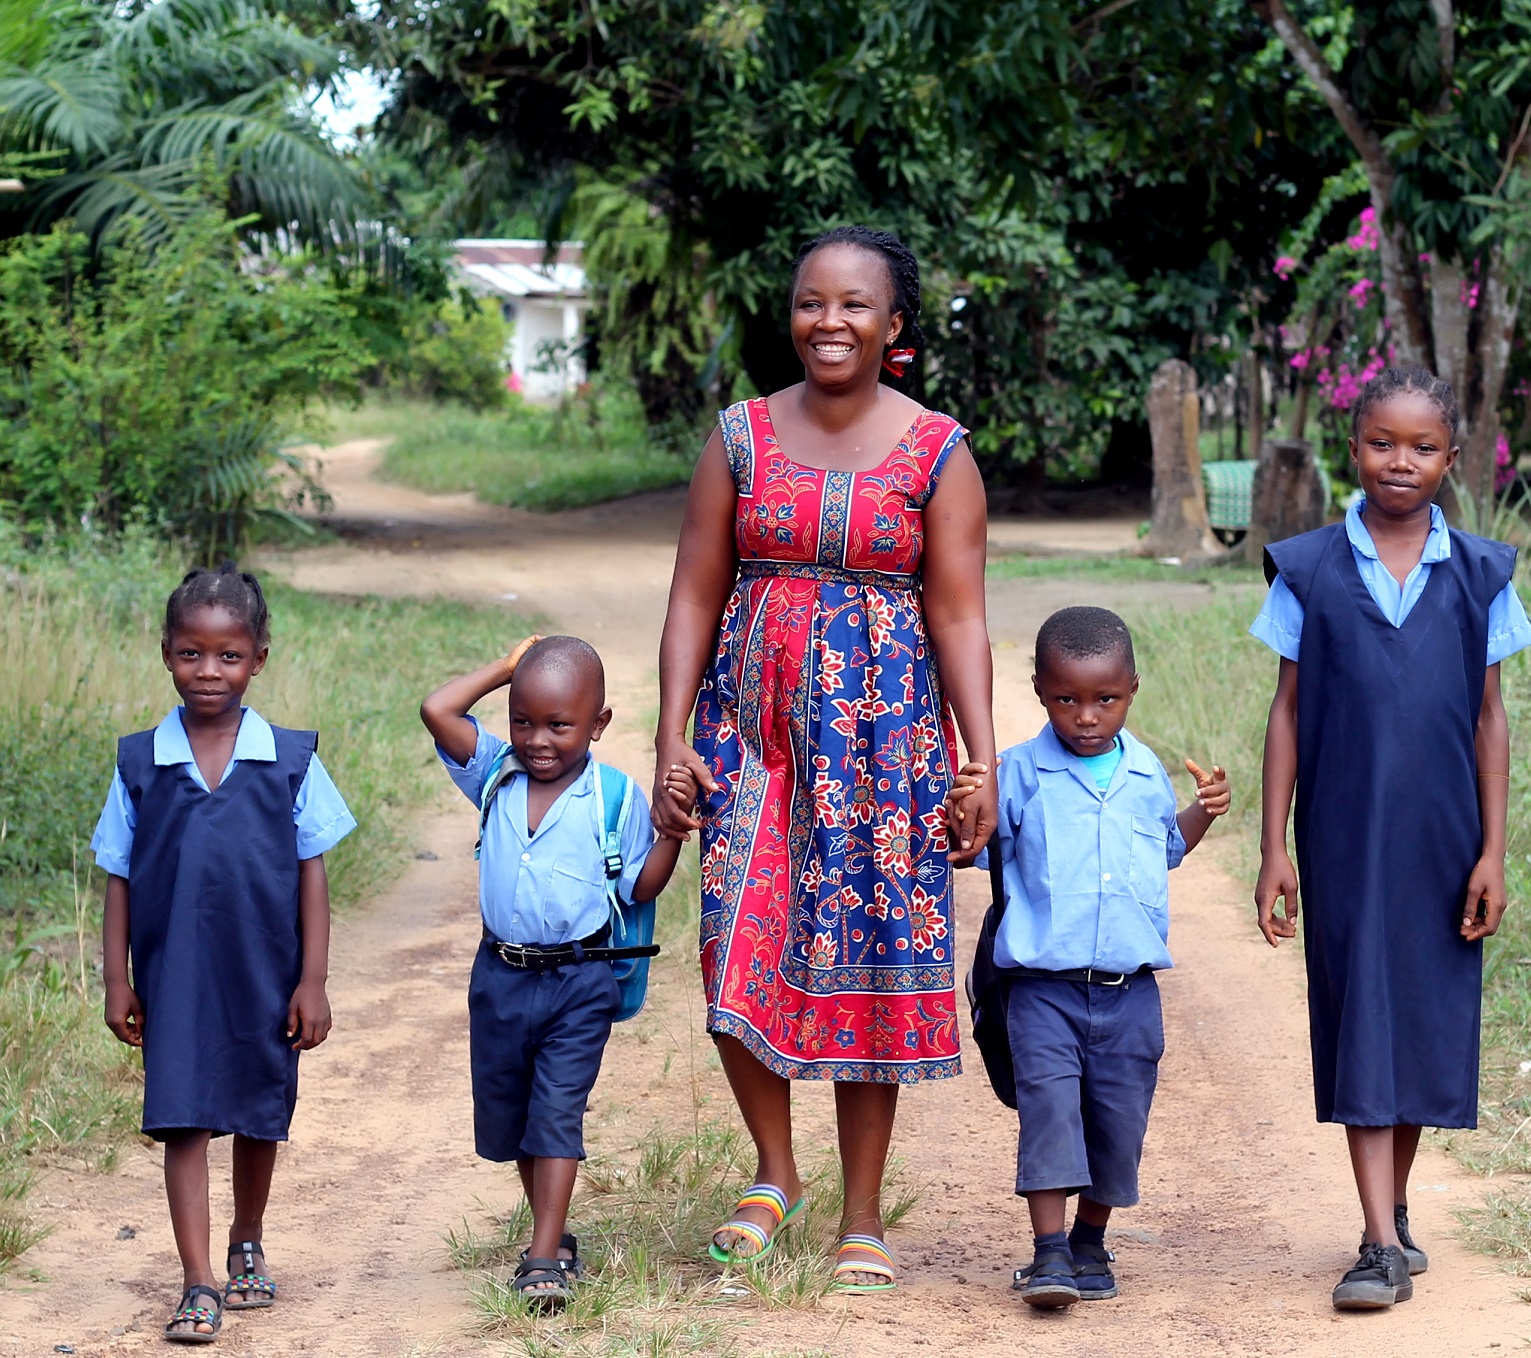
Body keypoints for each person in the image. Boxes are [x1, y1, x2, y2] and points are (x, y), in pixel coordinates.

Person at [653, 225, 999, 1292]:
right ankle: (773, 1172)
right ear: (789, 312)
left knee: (872, 956)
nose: (830, 321)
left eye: (856, 305)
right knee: (734, 937)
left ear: (893, 325)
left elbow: (958, 614)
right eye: (811, 301)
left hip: (885, 747)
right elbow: (694, 594)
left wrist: (976, 761)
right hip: (750, 734)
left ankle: (861, 1211)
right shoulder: (740, 436)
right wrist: (670, 733)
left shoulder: (936, 448)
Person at [1251, 368, 1531, 1312]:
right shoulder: (1310, 567)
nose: (1401, 462)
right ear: (1355, 448)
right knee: (1359, 1015)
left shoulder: (1483, 572)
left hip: (1445, 838)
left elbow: (1490, 720)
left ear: (1453, 460)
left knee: (1418, 1019)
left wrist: (1494, 851)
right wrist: (1273, 848)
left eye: (1423, 447)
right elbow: (1286, 714)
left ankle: (1396, 1206)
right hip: (1342, 835)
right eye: (1382, 442)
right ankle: (1377, 1244)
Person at [94, 563, 357, 1345]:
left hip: (263, 970)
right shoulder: (140, 763)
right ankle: (197, 1280)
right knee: (181, 1119)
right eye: (192, 654)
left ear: (259, 658)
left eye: (228, 656)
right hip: (173, 976)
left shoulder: (291, 760)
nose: (209, 672)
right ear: (167, 654)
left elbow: (313, 875)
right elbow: (117, 876)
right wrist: (118, 979)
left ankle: (247, 1237)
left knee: (256, 1111)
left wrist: (312, 979)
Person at [947, 606, 1229, 1311]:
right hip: (1041, 989)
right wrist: (961, 815)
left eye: (1106, 699)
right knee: (1048, 1113)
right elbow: (970, 845)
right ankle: (1046, 1253)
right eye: (1066, 698)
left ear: (1132, 688)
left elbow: (1165, 853)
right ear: (1040, 690)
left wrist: (1203, 812)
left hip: (1130, 992)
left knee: (1119, 1121)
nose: (1086, 716)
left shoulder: (1146, 777)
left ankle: (1089, 1241)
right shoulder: (1014, 775)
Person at [420, 633, 690, 1311]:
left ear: (599, 724)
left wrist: (671, 836)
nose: (538, 739)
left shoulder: (615, 798)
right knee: (513, 1117)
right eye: (522, 720)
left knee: (556, 1112)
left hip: (580, 981)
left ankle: (543, 1254)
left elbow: (639, 888)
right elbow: (438, 709)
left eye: (560, 725)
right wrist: (507, 668)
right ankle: (554, 1228)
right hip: (501, 977)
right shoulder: (494, 773)